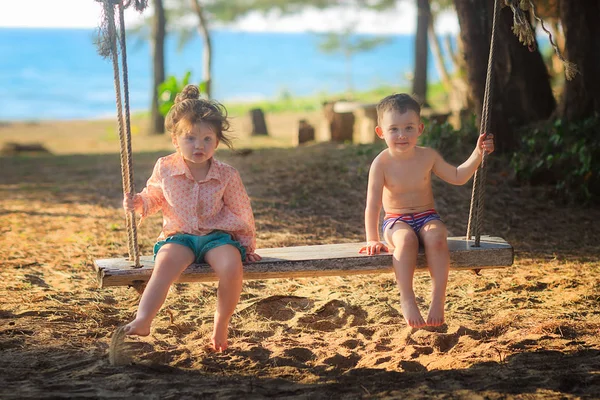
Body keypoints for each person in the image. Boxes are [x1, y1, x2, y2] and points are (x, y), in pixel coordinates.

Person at [122, 84, 261, 351]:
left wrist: (246, 245)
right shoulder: (166, 167)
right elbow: (153, 196)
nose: (200, 146)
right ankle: (143, 319)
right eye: (190, 139)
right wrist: (138, 202)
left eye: (207, 139)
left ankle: (221, 326)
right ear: (176, 141)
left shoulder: (227, 174)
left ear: (217, 142)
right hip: (180, 236)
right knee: (163, 267)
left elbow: (241, 210)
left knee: (232, 268)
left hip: (216, 238)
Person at [359, 93, 494, 328]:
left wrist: (478, 153)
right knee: (406, 240)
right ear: (381, 132)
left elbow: (458, 176)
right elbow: (373, 205)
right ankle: (407, 298)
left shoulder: (427, 156)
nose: (402, 135)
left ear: (420, 128)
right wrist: (372, 239)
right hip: (395, 220)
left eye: (409, 128)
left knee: (437, 236)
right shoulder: (381, 163)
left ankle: (438, 298)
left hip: (427, 216)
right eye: (394, 129)